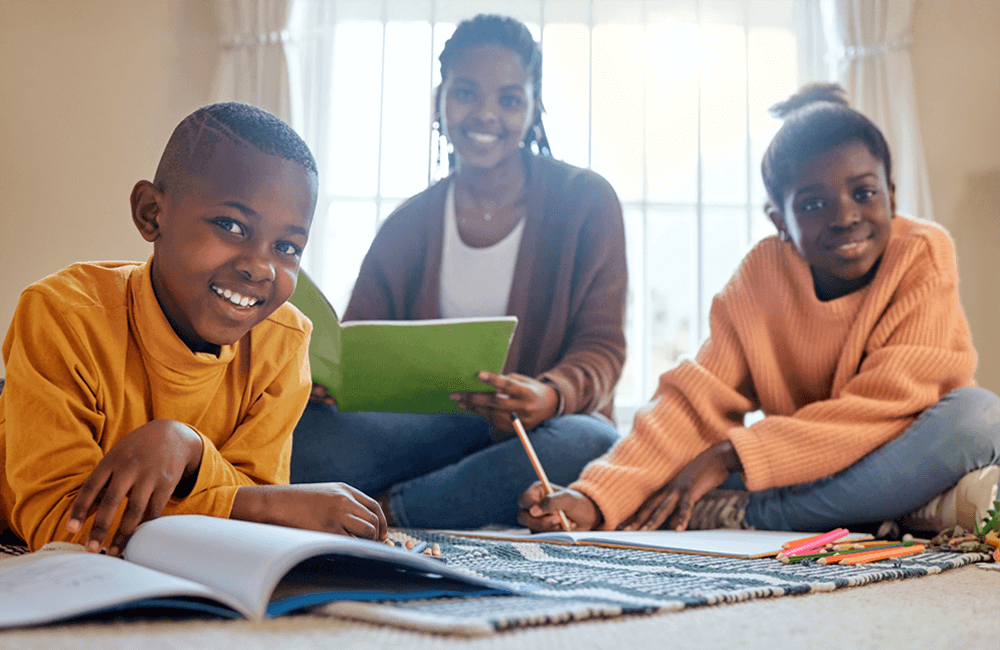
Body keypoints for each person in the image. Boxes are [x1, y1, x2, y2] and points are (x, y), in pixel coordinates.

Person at [520, 83, 1000, 536]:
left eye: (864, 193)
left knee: (979, 417)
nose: (845, 216)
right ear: (780, 221)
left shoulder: (923, 252)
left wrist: (729, 457)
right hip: (816, 464)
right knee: (673, 462)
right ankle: (891, 512)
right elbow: (694, 400)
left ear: (892, 195)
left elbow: (885, 407)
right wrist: (596, 495)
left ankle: (755, 512)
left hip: (903, 448)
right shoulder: (759, 276)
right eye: (813, 205)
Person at [0, 103, 387, 554]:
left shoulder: (283, 342)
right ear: (151, 213)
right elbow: (63, 527)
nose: (260, 267)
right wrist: (263, 507)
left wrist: (188, 449)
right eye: (231, 225)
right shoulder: (64, 314)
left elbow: (252, 500)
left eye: (287, 247)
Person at [291, 14, 626, 529]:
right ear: (440, 101)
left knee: (592, 442)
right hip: (422, 434)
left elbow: (602, 347)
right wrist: (328, 383)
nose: (486, 114)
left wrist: (550, 393)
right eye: (466, 93)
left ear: (534, 108)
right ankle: (443, 497)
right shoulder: (408, 224)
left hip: (528, 431)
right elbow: (354, 345)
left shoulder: (586, 203)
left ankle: (387, 509)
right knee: (303, 442)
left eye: (510, 99)